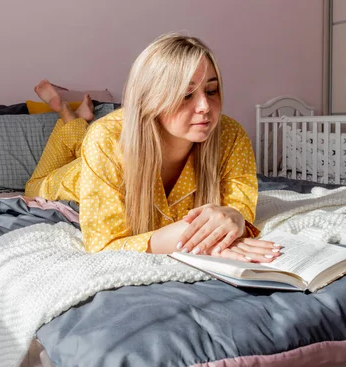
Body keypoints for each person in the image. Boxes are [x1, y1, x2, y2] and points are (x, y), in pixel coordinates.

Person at [26, 34, 281, 262]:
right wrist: (186, 236)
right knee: (35, 185)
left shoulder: (231, 135)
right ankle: (65, 113)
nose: (205, 106)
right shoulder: (106, 138)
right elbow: (103, 246)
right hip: (72, 176)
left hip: (108, 145)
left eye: (212, 90)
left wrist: (235, 218)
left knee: (90, 138)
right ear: (152, 98)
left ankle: (76, 118)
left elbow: (239, 209)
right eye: (186, 94)